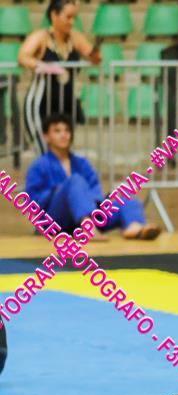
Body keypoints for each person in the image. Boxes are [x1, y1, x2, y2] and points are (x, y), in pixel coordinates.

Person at [25, 114, 161, 240]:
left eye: (67, 130)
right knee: (75, 181)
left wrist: (89, 201)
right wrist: (58, 191)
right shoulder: (39, 165)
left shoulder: (81, 163)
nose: (63, 135)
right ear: (46, 136)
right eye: (57, 131)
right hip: (56, 220)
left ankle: (134, 227)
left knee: (125, 200)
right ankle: (88, 226)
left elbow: (95, 192)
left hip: (88, 214)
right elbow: (33, 202)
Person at [18, 0, 101, 155]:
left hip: (66, 107)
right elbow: (23, 57)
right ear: (54, 15)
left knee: (63, 153)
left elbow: (95, 57)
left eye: (74, 17)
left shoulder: (75, 38)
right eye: (68, 17)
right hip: (41, 106)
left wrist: (95, 50)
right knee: (44, 153)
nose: (72, 22)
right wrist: (45, 67)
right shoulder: (41, 37)